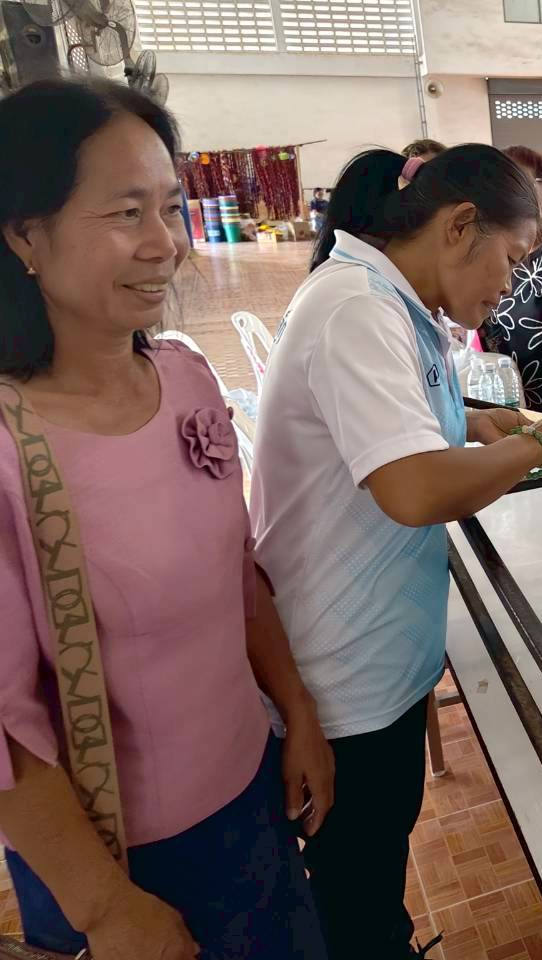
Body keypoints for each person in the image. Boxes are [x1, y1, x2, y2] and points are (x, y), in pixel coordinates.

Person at [0, 79, 329, 960]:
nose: (165, 245)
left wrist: (293, 708)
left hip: (251, 802)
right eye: (124, 214)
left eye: (172, 207)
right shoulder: (7, 448)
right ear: (24, 234)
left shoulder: (183, 377)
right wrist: (106, 910)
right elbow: (5, 728)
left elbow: (237, 569)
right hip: (122, 863)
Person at [250, 144, 542, 960]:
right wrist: (540, 447)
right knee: (359, 898)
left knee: (367, 877)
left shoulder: (391, 302)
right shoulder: (356, 309)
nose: (509, 285)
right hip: (344, 677)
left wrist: (474, 426)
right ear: (458, 224)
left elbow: (393, 433)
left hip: (374, 661)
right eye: (509, 260)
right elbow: (409, 488)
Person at [479, 145, 542, 412]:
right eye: (502, 185)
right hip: (506, 392)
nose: (511, 195)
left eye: (522, 183)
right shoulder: (487, 248)